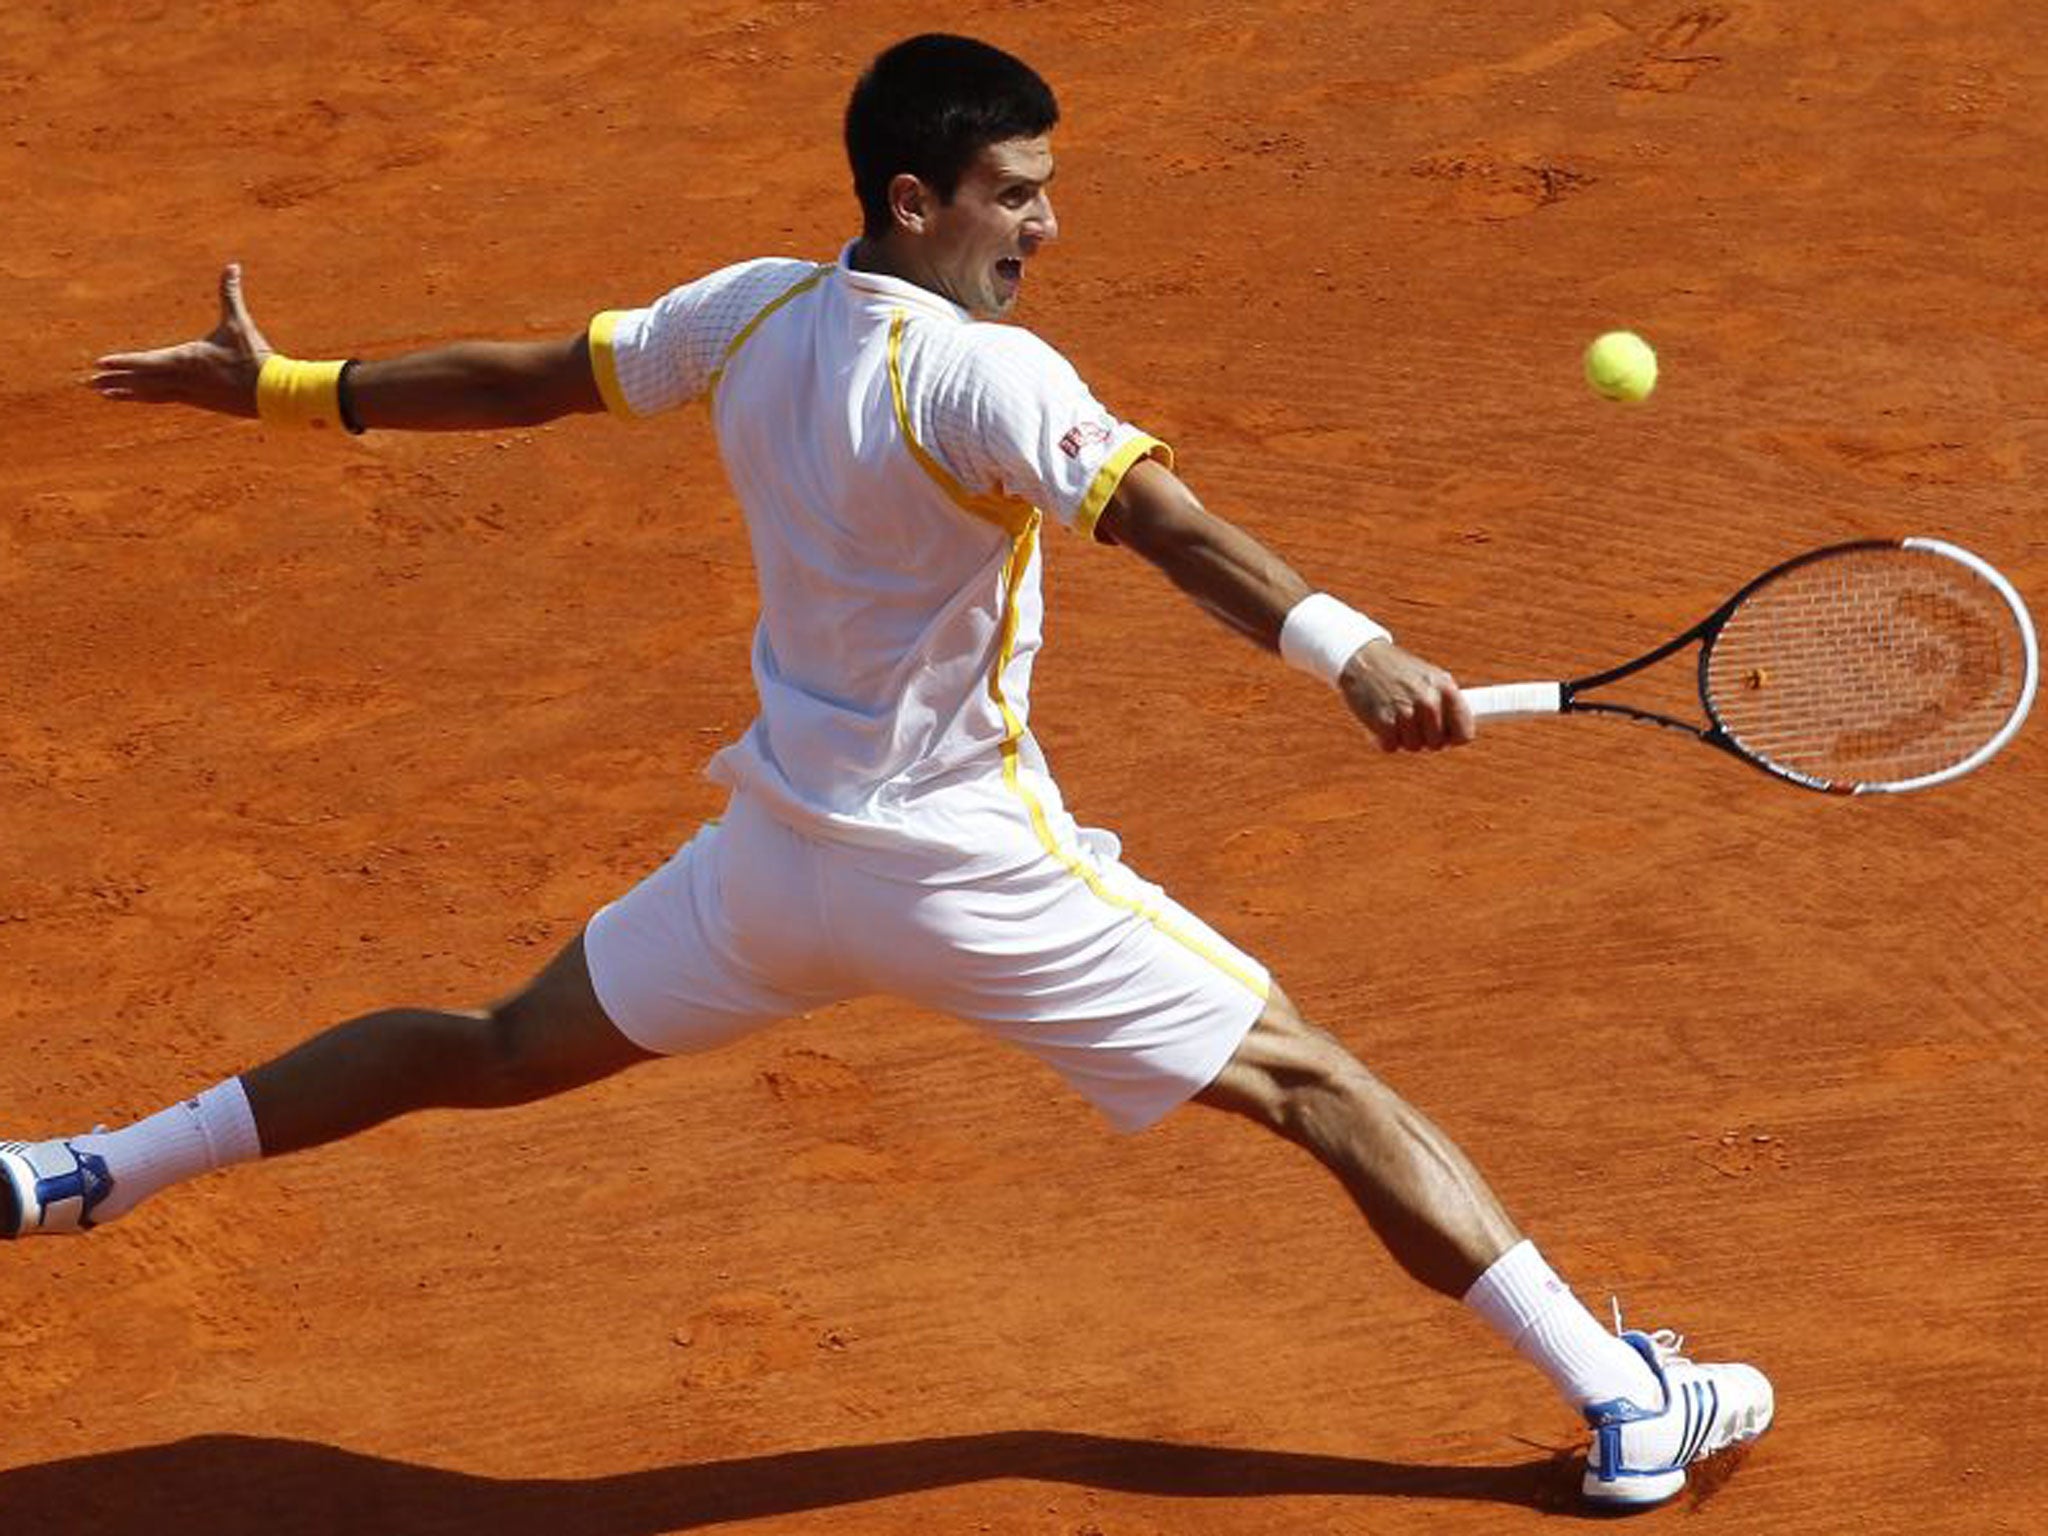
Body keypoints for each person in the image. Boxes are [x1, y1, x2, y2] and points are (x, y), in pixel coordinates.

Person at [8, 33, 1769, 1509]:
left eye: (1046, 185)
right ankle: (1625, 1402)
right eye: (1017, 189)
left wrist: (301, 391)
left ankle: (92, 1164)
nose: (1046, 222)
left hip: (775, 874)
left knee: (488, 1049)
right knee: (1317, 1087)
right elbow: (1166, 520)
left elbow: (540, 377)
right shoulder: (989, 376)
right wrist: (1351, 650)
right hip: (969, 873)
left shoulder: (755, 317)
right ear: (914, 201)